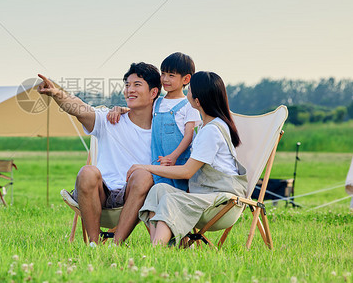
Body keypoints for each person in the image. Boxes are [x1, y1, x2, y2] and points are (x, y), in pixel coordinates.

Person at [37, 62, 161, 245]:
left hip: (135, 194)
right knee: (87, 172)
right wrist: (57, 94)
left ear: (153, 93)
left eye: (137, 85)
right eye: (127, 85)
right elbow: (79, 108)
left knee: (143, 176)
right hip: (100, 194)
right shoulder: (110, 119)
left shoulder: (162, 131)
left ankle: (115, 244)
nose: (129, 90)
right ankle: (93, 245)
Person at [126, 71, 248, 246]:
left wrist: (145, 167)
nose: (186, 94)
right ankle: (162, 246)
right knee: (158, 190)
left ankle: (156, 251)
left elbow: (186, 171)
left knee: (170, 199)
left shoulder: (212, 131)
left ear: (197, 102)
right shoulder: (208, 126)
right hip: (207, 197)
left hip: (223, 202)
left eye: (189, 90)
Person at [108, 52, 200, 191]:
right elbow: (138, 110)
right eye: (163, 74)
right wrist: (118, 109)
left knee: (177, 195)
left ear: (186, 79)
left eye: (171, 75)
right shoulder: (158, 102)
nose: (165, 79)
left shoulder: (188, 104)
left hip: (178, 163)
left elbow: (189, 135)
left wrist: (173, 157)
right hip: (158, 163)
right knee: (158, 193)